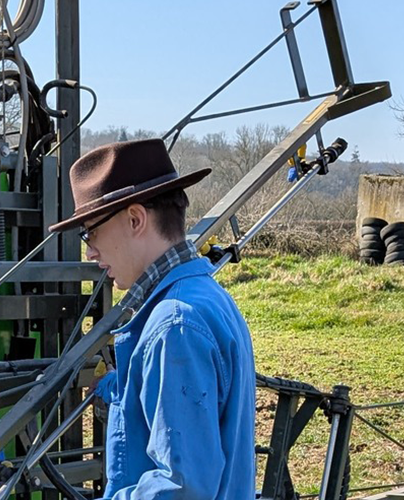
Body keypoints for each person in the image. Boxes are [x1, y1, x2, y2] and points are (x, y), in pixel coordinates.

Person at [48, 139, 256, 499]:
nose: (90, 251)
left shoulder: (174, 325)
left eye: (91, 232)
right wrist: (120, 386)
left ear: (135, 218)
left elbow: (182, 487)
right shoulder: (203, 296)